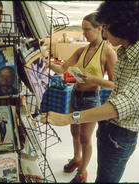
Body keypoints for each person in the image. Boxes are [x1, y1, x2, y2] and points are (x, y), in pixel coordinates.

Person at [41, 1, 139, 183]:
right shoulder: (126, 51)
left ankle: (82, 171)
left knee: (104, 175)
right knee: (88, 152)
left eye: (106, 28)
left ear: (122, 26)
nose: (104, 33)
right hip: (107, 124)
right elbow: (119, 87)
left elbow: (124, 102)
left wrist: (69, 117)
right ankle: (78, 161)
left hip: (119, 132)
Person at [43, 12, 117, 183]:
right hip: (75, 95)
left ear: (100, 29)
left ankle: (82, 172)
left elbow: (114, 84)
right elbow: (62, 69)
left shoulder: (108, 52)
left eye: (87, 30)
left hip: (91, 99)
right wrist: (44, 61)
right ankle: (76, 159)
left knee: (85, 138)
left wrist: (94, 80)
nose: (84, 34)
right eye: (82, 30)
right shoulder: (82, 50)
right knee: (74, 132)